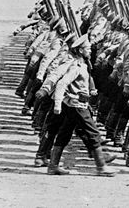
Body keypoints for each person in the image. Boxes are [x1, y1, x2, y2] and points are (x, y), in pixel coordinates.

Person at [48, 35, 116, 177]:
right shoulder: (76, 67)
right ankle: (101, 166)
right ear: (80, 50)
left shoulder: (82, 64)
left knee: (64, 134)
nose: (90, 51)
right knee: (93, 133)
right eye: (87, 48)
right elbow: (62, 83)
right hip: (77, 106)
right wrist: (58, 105)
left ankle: (53, 166)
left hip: (75, 105)